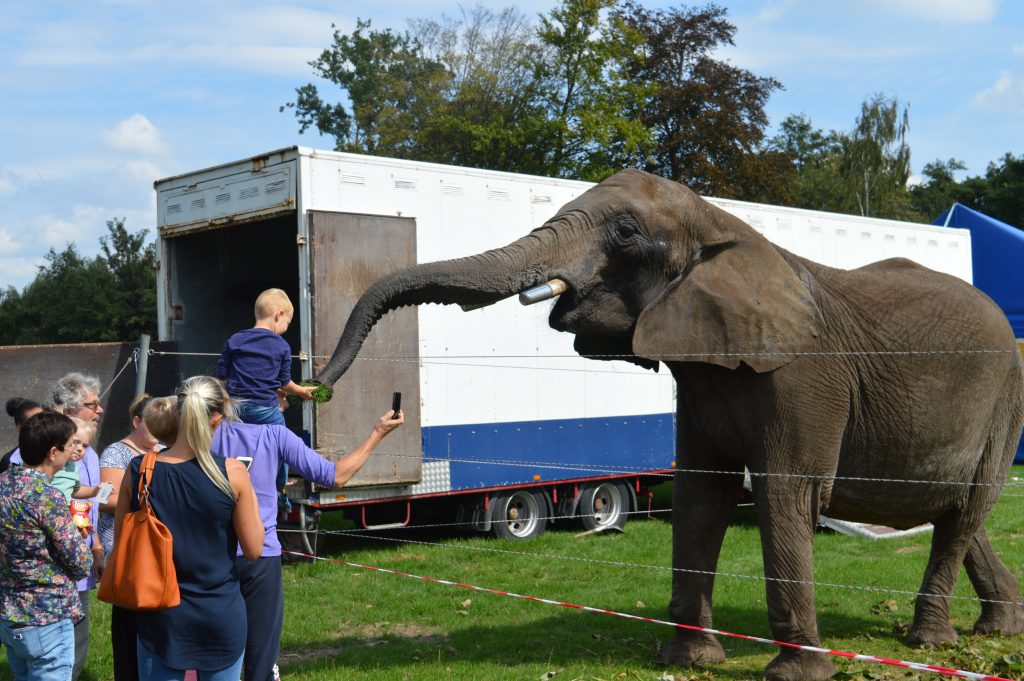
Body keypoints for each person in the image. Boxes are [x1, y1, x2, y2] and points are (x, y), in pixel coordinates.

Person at [211, 402, 403, 681]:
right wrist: (377, 433)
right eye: (283, 392)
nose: (287, 402)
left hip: (211, 559)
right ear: (268, 393)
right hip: (260, 561)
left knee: (213, 660)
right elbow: (334, 475)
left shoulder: (204, 430)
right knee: (261, 663)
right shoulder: (276, 435)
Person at [114, 376, 263, 680]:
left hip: (160, 611)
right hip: (220, 612)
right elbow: (253, 549)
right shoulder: (233, 472)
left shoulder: (140, 471)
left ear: (177, 413)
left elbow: (121, 542)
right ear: (217, 419)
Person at [0, 411, 93, 681]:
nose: (73, 450)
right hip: (47, 616)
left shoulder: (4, 484)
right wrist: (77, 536)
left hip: (10, 612)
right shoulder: (47, 496)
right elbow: (80, 563)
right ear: (53, 452)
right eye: (69, 445)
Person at [50, 372, 106, 681]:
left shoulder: (90, 452)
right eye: (92, 404)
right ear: (69, 409)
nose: (100, 410)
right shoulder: (41, 448)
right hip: (51, 566)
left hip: (81, 561)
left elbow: (88, 506)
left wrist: (97, 549)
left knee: (78, 637)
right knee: (51, 647)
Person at [98, 394, 158, 681]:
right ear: (136, 422)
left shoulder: (167, 449)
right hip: (126, 543)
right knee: (129, 620)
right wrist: (145, 495)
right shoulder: (117, 452)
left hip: (154, 544)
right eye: (152, 422)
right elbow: (106, 498)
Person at [217, 288, 314, 425]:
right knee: (280, 437)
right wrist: (301, 391)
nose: (287, 327)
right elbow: (284, 383)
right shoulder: (281, 345)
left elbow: (222, 375)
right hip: (264, 409)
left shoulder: (236, 339)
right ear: (279, 315)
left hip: (234, 406)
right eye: (288, 322)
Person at [1, 398, 44, 473]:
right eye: (33, 422)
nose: (41, 425)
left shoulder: (62, 447)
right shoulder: (10, 461)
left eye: (43, 419)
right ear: (19, 427)